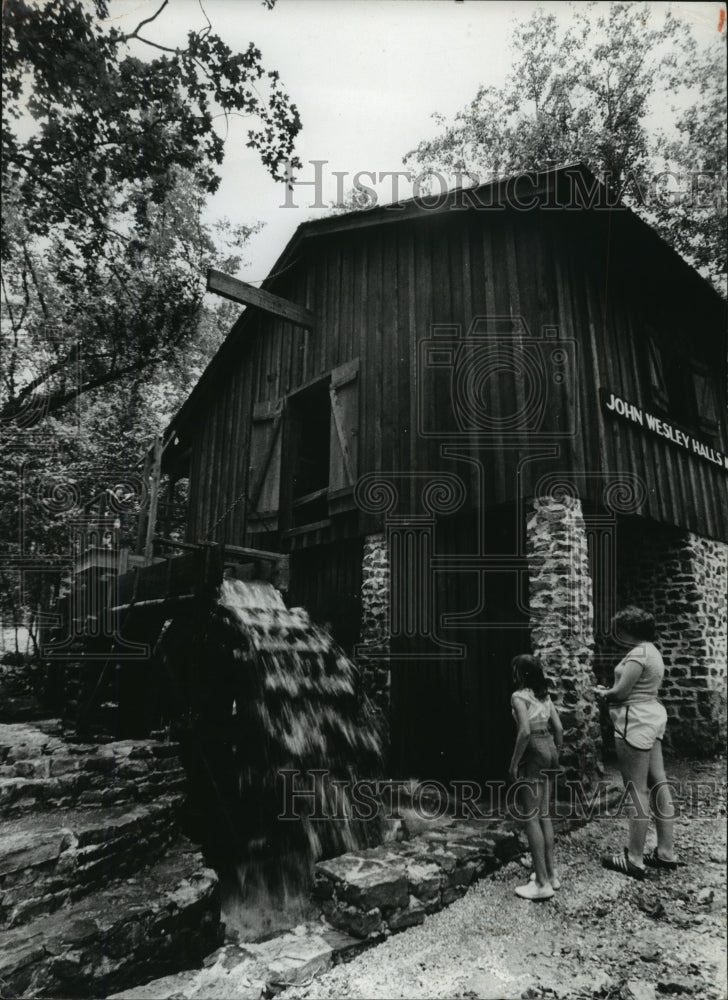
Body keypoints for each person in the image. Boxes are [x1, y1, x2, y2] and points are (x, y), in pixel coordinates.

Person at [595, 606, 678, 879]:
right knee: (658, 781)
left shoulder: (637, 654)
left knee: (636, 790)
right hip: (651, 715)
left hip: (635, 719)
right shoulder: (652, 651)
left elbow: (621, 692)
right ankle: (666, 852)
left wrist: (603, 694)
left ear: (628, 630)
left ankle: (634, 858)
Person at [509, 653, 564, 901]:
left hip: (534, 751)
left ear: (520, 674)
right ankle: (551, 874)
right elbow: (560, 729)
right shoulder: (545, 696)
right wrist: (556, 752)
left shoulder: (519, 697)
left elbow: (523, 732)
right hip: (550, 747)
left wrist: (514, 763)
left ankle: (541, 883)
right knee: (545, 815)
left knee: (530, 818)